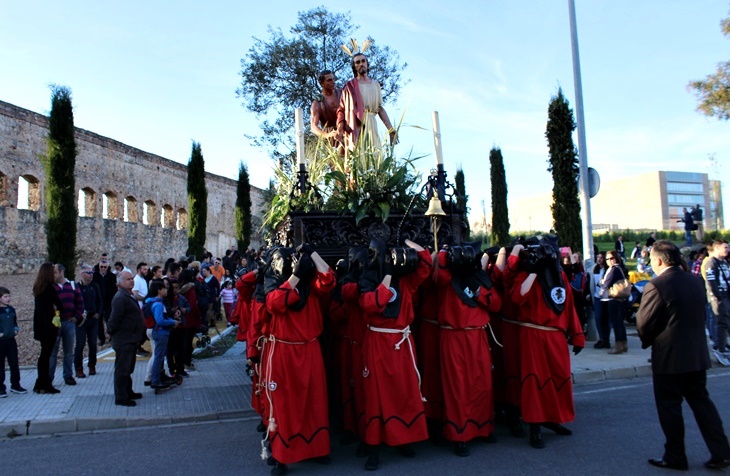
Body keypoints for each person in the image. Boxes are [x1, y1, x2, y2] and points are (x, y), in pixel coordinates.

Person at [637, 240, 730, 471]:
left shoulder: (657, 285)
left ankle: (675, 456)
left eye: (651, 260)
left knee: (670, 407)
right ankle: (721, 451)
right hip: (696, 355)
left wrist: (648, 340)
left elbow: (644, 323)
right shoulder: (695, 281)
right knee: (702, 404)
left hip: (670, 357)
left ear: (658, 260)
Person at [358, 239, 432, 470]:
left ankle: (403, 438)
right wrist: (387, 274)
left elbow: (425, 265)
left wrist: (406, 244)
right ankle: (374, 449)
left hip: (401, 340)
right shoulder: (367, 279)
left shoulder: (405, 280)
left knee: (404, 391)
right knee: (376, 396)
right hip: (378, 343)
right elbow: (374, 304)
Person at [262, 245, 335, 474]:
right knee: (286, 406)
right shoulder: (275, 283)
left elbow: (328, 280)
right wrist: (295, 277)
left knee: (315, 402)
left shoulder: (308, 285)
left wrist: (313, 254)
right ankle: (282, 456)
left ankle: (317, 448)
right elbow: (274, 303)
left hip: (310, 349)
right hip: (284, 352)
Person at [509, 240, 585, 449]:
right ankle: (534, 426)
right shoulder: (526, 276)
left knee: (558, 378)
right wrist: (533, 272)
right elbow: (517, 297)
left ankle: (553, 418)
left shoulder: (559, 277)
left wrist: (577, 335)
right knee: (535, 380)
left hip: (556, 337)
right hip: (533, 335)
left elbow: (568, 305)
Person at [336, 52, 397, 156]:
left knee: (375, 154)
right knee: (359, 156)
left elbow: (379, 109)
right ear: (354, 66)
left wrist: (390, 129)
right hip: (356, 125)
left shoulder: (375, 84)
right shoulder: (350, 87)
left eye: (363, 61)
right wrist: (340, 129)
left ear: (367, 63)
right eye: (357, 62)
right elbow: (341, 109)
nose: (361, 64)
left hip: (372, 122)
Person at [107, 271, 145, 407]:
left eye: (132, 279)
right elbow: (114, 319)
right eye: (128, 279)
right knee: (122, 369)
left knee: (128, 368)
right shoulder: (120, 298)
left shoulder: (128, 295)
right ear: (120, 282)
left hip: (131, 338)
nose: (132, 281)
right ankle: (121, 396)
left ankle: (128, 391)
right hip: (124, 339)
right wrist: (110, 332)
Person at [50, 263, 85, 386]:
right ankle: (49, 378)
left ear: (61, 272)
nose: (52, 275)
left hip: (69, 323)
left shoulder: (72, 286)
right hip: (55, 324)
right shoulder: (51, 287)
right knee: (52, 352)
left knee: (68, 351)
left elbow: (80, 303)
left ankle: (68, 376)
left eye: (54, 272)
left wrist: (76, 317)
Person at [32, 263, 63, 394]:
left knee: (43, 355)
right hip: (49, 326)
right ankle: (45, 384)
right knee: (46, 355)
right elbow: (59, 305)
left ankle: (40, 383)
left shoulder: (38, 288)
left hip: (40, 325)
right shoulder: (50, 289)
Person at [146, 280, 179, 392]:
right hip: (160, 332)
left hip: (160, 332)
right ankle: (156, 380)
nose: (166, 290)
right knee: (158, 357)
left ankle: (158, 378)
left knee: (159, 357)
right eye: (164, 288)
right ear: (159, 290)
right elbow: (160, 321)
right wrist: (172, 322)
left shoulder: (157, 302)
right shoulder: (158, 304)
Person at [74, 264, 103, 378]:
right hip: (81, 321)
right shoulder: (77, 287)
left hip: (93, 319)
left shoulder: (95, 286)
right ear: (82, 274)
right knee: (80, 344)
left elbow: (100, 301)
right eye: (89, 273)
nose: (91, 275)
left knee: (93, 344)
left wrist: (98, 313)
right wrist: (77, 316)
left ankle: (92, 365)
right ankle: (78, 368)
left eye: (92, 273)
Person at [599, 251, 629, 354]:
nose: (609, 261)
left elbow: (607, 283)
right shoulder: (615, 269)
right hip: (617, 298)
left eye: (611, 258)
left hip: (614, 298)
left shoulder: (614, 269)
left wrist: (601, 282)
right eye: (607, 259)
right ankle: (623, 343)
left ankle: (618, 345)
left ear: (616, 258)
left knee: (616, 322)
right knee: (619, 322)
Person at [705, 240, 730, 364]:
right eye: (725, 247)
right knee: (721, 322)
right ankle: (720, 347)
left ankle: (724, 344)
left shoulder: (724, 262)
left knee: (727, 321)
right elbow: (710, 281)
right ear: (717, 248)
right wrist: (717, 296)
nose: (727, 249)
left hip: (727, 295)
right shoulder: (711, 262)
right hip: (719, 297)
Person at [0, 286, 26, 397]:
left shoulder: (11, 309)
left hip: (11, 340)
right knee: (0, 365)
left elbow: (14, 322)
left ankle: (15, 385)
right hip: (1, 342)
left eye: (9, 296)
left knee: (14, 363)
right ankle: (1, 388)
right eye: (5, 296)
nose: (8, 298)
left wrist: (16, 329)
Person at [310, 70, 342, 146]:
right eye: (329, 80)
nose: (333, 82)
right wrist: (326, 135)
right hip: (332, 139)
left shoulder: (342, 93)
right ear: (322, 83)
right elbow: (313, 127)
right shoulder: (317, 103)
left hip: (348, 133)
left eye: (334, 79)